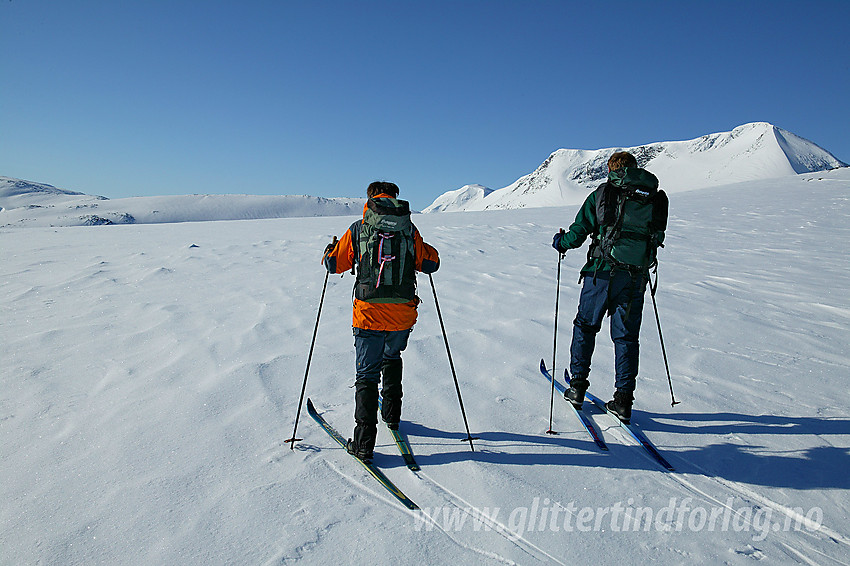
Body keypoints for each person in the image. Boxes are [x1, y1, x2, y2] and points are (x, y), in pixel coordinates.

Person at [323, 181, 440, 462]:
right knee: (392, 355)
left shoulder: (358, 228)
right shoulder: (409, 229)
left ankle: (364, 444)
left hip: (368, 314)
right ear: (395, 198)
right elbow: (430, 263)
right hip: (402, 314)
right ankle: (392, 415)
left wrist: (329, 251)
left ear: (370, 198)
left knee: (366, 374)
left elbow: (333, 265)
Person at [552, 152, 668, 423]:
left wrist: (561, 242)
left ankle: (577, 387)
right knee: (626, 337)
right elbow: (657, 235)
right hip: (636, 277)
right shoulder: (654, 198)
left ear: (611, 170)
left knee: (585, 326)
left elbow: (578, 233)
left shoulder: (603, 194)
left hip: (601, 274)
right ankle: (624, 401)